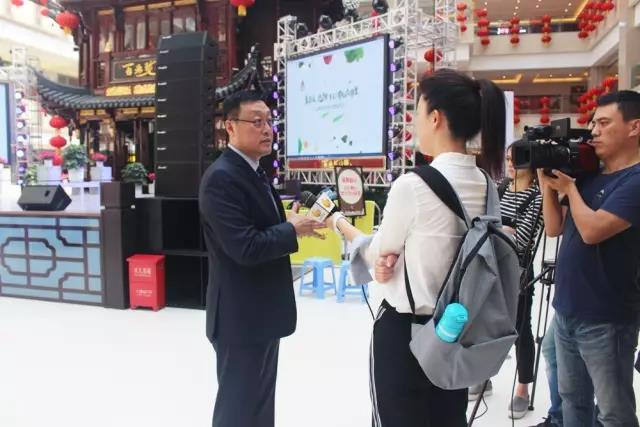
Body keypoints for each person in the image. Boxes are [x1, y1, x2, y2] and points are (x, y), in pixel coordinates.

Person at [327, 68, 507, 427]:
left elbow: (378, 253)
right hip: (457, 330)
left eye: (418, 112)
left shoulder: (413, 185)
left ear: (435, 118)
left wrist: (340, 224)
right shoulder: (487, 184)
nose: (414, 123)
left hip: (405, 333)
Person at [198, 91, 325, 427]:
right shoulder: (222, 178)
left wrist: (291, 225)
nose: (267, 129)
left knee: (259, 406)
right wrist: (290, 230)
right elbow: (245, 247)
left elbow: (261, 229)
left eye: (269, 121)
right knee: (238, 411)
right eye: (256, 121)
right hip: (240, 318)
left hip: (260, 313)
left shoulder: (253, 171)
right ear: (230, 127)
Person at [537, 90, 640, 427]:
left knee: (613, 412)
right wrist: (547, 185)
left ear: (634, 127)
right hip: (567, 309)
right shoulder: (590, 175)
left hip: (606, 318)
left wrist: (569, 190)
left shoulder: (635, 180)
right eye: (593, 123)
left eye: (604, 123)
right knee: (572, 401)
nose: (594, 130)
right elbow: (554, 227)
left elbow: (593, 230)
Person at [468, 146, 544, 421]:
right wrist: (500, 229)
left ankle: (523, 388)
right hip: (492, 267)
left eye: (517, 160)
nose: (511, 164)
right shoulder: (500, 188)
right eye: (508, 159)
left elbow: (522, 240)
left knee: (520, 329)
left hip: (519, 272)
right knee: (486, 324)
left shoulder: (538, 196)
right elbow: (479, 224)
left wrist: (494, 229)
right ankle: (484, 376)